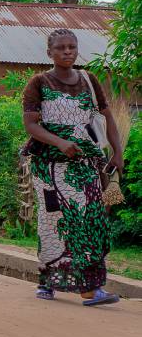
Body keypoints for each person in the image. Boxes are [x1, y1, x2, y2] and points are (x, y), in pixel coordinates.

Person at [22, 28, 123, 306]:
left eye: (72, 47)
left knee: (91, 219)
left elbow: (107, 118)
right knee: (54, 223)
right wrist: (59, 142)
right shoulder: (39, 82)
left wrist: (117, 152)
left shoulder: (89, 80)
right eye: (61, 48)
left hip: (87, 164)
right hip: (50, 168)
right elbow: (31, 124)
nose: (67, 51)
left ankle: (91, 287)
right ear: (49, 52)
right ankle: (48, 280)